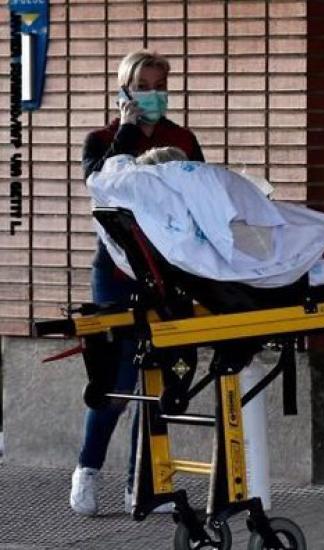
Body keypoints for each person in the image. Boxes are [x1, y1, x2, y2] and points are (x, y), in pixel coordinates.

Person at [70, 50, 204, 516]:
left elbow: (199, 195)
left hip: (166, 271)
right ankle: (88, 468)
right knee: (120, 376)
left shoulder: (182, 139)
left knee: (160, 376)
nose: (153, 95)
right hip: (116, 271)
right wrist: (127, 131)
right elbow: (102, 183)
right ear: (125, 90)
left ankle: (143, 482)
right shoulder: (101, 139)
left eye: (159, 86)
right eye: (143, 86)